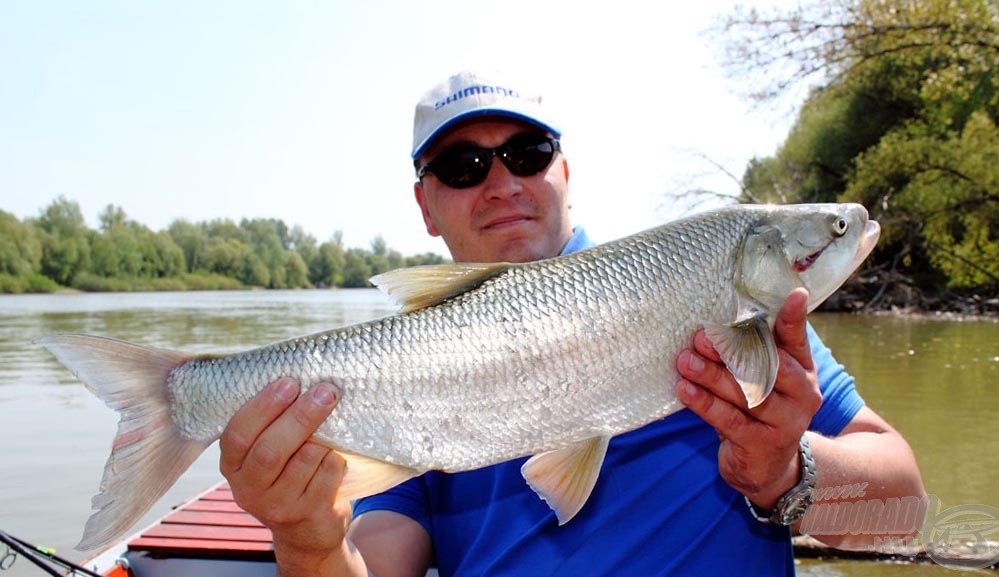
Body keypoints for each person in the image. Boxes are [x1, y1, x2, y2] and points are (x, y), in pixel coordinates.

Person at [219, 70, 926, 576]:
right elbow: (370, 563)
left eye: (526, 154)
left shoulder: (724, 303)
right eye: (463, 166)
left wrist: (785, 470)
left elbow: (904, 513)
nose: (502, 182)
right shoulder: (403, 365)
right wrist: (306, 539)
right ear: (424, 205)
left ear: (564, 170)